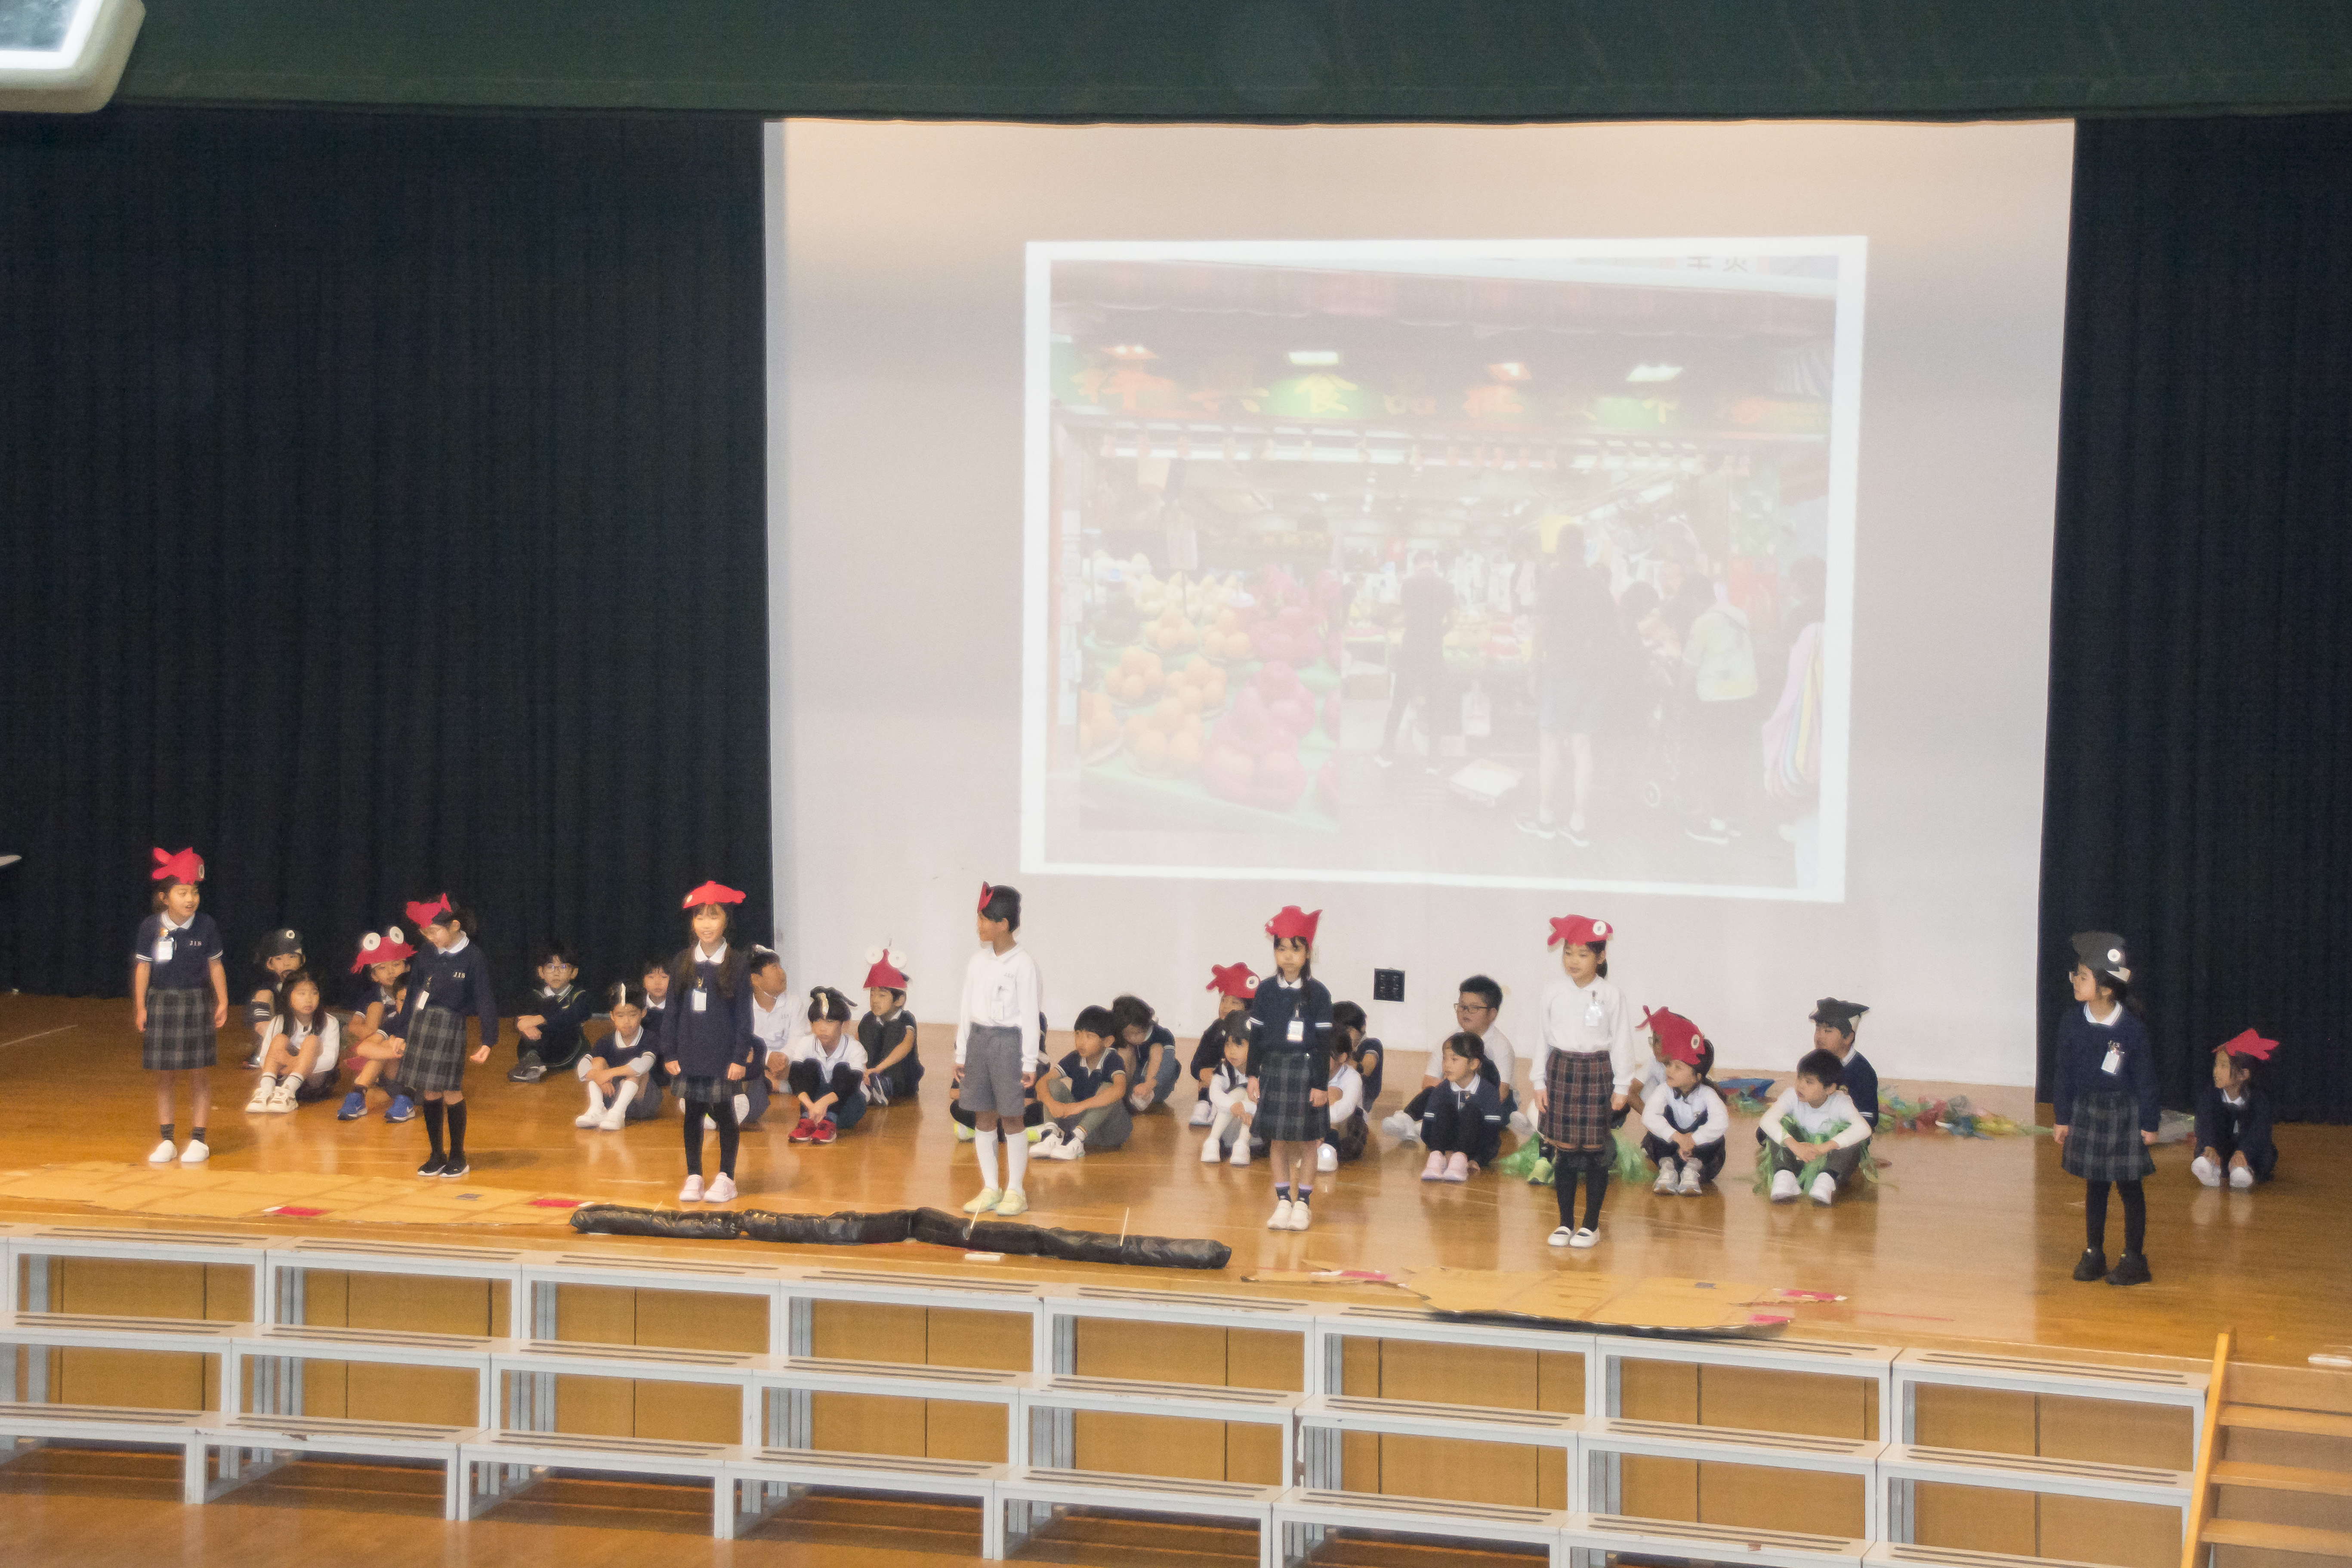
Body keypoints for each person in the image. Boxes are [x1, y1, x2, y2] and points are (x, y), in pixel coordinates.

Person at [2052, 931, 2160, 1285]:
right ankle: (2094, 1253)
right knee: (2095, 1185)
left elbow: (2146, 1078)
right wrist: (2062, 1118)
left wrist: (2149, 1122)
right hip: (2087, 1110)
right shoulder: (2071, 1022)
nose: (2075, 980)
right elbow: (2063, 1073)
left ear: (2106, 989)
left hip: (2124, 1113)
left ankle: (2134, 1259)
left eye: (2083, 976)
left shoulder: (2131, 1029)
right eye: (2076, 974)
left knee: (2130, 1187)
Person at [1533, 915, 1639, 1250]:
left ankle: (1591, 1225)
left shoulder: (1611, 995)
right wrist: (1539, 1082)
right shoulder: (1552, 993)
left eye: (1583, 954)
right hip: (1561, 1071)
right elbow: (1542, 1040)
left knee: (1595, 1155)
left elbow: (1621, 1041)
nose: (1573, 961)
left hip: (1597, 1072)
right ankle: (1565, 1223)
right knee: (1564, 1154)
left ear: (1600, 956)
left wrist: (1622, 1087)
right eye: (1568, 953)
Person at [382, 894, 497, 1179]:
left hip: (450, 1026)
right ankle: (437, 1154)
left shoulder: (473, 957)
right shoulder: (427, 953)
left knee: (451, 1091)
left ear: (455, 926)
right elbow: (413, 994)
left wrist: (488, 1039)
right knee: (429, 1091)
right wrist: (401, 1031)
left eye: (434, 931)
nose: (430, 938)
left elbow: (484, 998)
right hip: (422, 1024)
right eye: (425, 932)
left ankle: (458, 1156)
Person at [660, 880, 760, 1204]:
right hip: (690, 1052)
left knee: (725, 1112)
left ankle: (726, 1177)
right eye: (700, 917)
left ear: (726, 920)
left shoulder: (738, 962)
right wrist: (670, 1051)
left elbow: (744, 1017)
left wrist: (739, 1057)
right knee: (693, 1113)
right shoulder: (682, 961)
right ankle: (694, 1175)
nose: (706, 924)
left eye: (714, 916)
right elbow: (672, 1011)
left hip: (722, 1055)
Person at [133, 847, 229, 1165]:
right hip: (161, 1001)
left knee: (200, 1072)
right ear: (165, 898)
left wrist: (223, 1000)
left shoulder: (206, 925)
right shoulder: (150, 927)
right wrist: (141, 1007)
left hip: (197, 1001)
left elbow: (215, 965)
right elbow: (143, 968)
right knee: (165, 1074)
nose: (191, 899)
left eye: (195, 892)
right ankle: (167, 1139)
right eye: (182, 893)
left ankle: (199, 1139)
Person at [955, 882, 1043, 1218]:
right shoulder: (977, 962)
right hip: (979, 1041)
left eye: (983, 919)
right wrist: (961, 1053)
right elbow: (966, 1008)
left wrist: (1029, 1060)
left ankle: (1016, 1190)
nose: (978, 925)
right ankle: (991, 1187)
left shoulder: (1023, 964)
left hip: (1009, 1044)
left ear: (1003, 924)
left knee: (1012, 1117)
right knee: (984, 1115)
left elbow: (1031, 1015)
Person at [1518, 556, 1616, 848]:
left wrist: (1534, 670)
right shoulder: (1601, 591)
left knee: (1549, 742)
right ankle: (1578, 823)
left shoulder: (1555, 587)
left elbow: (1540, 631)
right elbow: (1615, 634)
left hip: (1562, 671)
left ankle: (1546, 818)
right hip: (1594, 674)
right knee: (1583, 748)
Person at [1246, 904, 1333, 1232]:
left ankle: (1303, 1204)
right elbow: (1256, 1036)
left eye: (1295, 949)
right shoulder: (1266, 990)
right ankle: (1283, 1200)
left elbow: (1323, 1044)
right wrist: (1252, 1075)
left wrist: (1320, 1085)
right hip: (1274, 1070)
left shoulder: (1319, 994)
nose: (1288, 956)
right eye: (1281, 948)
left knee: (1309, 1142)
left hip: (1306, 1072)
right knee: (1278, 1141)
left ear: (1308, 952)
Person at [1386, 976, 1525, 1141]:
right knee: (1433, 1092)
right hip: (1457, 1097)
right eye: (1462, 1006)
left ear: (1492, 1014)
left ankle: (1437, 1123)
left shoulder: (1501, 1047)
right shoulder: (1449, 1041)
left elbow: (1500, 1094)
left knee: (1474, 1107)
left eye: (1474, 1008)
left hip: (1494, 1105)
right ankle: (1407, 1119)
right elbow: (1429, 1083)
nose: (1465, 1012)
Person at [1681, 577, 1759, 846]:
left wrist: (1680, 692)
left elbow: (1689, 668)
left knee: (1714, 760)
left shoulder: (1703, 623)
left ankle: (1714, 825)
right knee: (1736, 760)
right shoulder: (1738, 615)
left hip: (1717, 701)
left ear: (1695, 600)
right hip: (1746, 697)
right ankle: (1733, 820)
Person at [1759, 1049, 1873, 1206]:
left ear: (1830, 1088)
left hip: (1827, 1159)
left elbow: (1864, 1129)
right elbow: (1767, 1121)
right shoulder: (1792, 1095)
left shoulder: (1841, 1102)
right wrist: (1796, 1146)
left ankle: (1826, 1181)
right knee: (1780, 1128)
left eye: (1809, 1082)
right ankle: (1785, 1176)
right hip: (1797, 1157)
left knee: (1854, 1142)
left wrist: (1823, 1148)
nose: (1800, 1086)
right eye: (1799, 1078)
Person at [1377, 550, 1454, 770]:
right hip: (1434, 651)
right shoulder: (1447, 586)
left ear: (1416, 564)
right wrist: (1440, 633)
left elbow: (1405, 616)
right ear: (1433, 563)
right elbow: (1453, 619)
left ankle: (1386, 753)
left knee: (1400, 701)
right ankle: (1434, 761)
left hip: (1411, 649)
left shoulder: (1409, 584)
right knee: (1436, 703)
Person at [1638, 1009, 1728, 1194]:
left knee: (1717, 1141)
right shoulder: (1664, 1090)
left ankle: (1692, 1171)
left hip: (1697, 1152)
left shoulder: (1707, 1094)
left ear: (1697, 1077)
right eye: (1669, 1065)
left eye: (1678, 1067)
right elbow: (1648, 1116)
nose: (1669, 1071)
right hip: (1673, 1147)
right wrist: (1679, 1138)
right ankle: (1667, 1168)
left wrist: (1693, 1140)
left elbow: (1721, 1122)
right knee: (1653, 1135)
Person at [339, 926, 418, 1123]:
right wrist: (394, 1050)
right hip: (393, 1076)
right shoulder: (393, 1018)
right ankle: (357, 1095)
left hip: (423, 1085)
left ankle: (406, 1100)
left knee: (394, 1044)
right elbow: (364, 1047)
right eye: (383, 967)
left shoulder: (429, 1019)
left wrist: (403, 1049)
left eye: (396, 964)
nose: (391, 971)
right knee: (383, 1038)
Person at [1038, 1006, 1133, 1161]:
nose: (1081, 1042)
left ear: (1108, 1041)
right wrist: (1052, 1104)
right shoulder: (1075, 1057)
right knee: (1051, 1084)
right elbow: (1042, 1082)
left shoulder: (1112, 1059)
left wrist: (1079, 1107)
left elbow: (1119, 1090)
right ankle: (1051, 1134)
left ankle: (1077, 1139)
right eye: (1078, 1034)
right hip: (1079, 1125)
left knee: (1109, 1089)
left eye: (1089, 1036)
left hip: (1112, 1131)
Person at [247, 969, 340, 1113]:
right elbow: (265, 1058)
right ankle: (266, 1091)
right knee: (280, 1039)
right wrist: (295, 1064)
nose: (309, 999)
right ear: (288, 996)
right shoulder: (279, 1021)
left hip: (313, 1082)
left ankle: (288, 1092)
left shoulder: (330, 1022)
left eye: (314, 993)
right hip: (281, 1080)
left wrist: (291, 1063)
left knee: (312, 1041)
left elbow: (330, 1061)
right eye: (302, 994)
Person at [784, 987, 869, 1144]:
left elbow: (851, 1085)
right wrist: (811, 1107)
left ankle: (830, 1123)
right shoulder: (806, 1044)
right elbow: (795, 1078)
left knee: (842, 1068)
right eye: (817, 1021)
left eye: (829, 1022)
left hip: (848, 1102)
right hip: (814, 1107)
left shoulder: (855, 1048)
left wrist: (823, 1104)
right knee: (810, 1065)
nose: (822, 1027)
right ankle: (807, 1121)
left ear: (844, 1025)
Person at [2194, 1030, 2278, 1188]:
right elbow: (2205, 1123)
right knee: (2204, 1150)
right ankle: (2213, 1167)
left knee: (2266, 1155)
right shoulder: (2210, 1095)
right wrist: (2209, 1145)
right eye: (2216, 1065)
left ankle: (2243, 1170)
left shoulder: (2259, 1099)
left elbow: (2259, 1131)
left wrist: (2245, 1152)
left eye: (2223, 1066)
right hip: (2221, 1147)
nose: (2216, 1071)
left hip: (2246, 1150)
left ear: (2243, 1075)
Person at [1417, 1033, 1505, 1181]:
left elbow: (1491, 1135)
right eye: (1445, 1058)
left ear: (1474, 1064)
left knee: (1471, 1111)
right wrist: (1440, 1150)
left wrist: (1478, 1159)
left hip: (1474, 1149)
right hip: (1445, 1150)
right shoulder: (1441, 1091)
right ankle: (1437, 1159)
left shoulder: (1488, 1092)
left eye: (1454, 1059)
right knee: (1445, 1109)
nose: (1447, 1065)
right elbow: (1427, 1129)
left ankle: (1460, 1160)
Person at [576, 981, 660, 1128]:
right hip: (612, 1097)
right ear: (612, 1016)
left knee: (636, 1072)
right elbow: (583, 1065)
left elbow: (644, 1064)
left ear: (643, 1013)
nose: (627, 1021)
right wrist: (598, 1076)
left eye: (633, 1015)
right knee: (597, 1062)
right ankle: (597, 1109)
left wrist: (609, 1074)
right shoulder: (606, 1041)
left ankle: (618, 1114)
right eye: (620, 1016)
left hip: (641, 1101)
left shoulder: (650, 1038)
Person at [509, 942, 592, 1083]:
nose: (556, 972)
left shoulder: (579, 995)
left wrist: (540, 1019)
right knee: (527, 1034)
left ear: (574, 972)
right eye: (550, 967)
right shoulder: (534, 995)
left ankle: (534, 1063)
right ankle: (533, 1063)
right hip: (541, 1050)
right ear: (541, 972)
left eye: (563, 967)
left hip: (569, 1053)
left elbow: (574, 1016)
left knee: (559, 1025)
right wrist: (523, 1026)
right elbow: (521, 1017)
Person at [1188, 963, 1257, 1127]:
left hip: (1246, 1083)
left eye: (1234, 1003)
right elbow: (1199, 1060)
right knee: (1212, 1077)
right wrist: (1203, 1072)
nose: (1226, 1007)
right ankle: (1204, 1104)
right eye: (1223, 1001)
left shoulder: (1255, 1031)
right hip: (1221, 1081)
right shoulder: (1216, 1029)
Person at [858, 947, 923, 1105]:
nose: (875, 1000)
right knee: (868, 1028)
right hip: (872, 1073)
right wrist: (863, 1069)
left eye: (882, 995)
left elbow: (905, 1046)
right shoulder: (868, 1019)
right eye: (872, 994)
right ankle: (872, 1086)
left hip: (899, 1075)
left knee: (895, 1030)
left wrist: (879, 1069)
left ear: (900, 1000)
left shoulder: (906, 1019)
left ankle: (884, 1086)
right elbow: (858, 1044)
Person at [1809, 998, 1878, 1128]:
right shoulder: (1812, 1063)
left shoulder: (1863, 1072)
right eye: (1818, 1029)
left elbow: (1868, 1119)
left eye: (1828, 1031)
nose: (1820, 1036)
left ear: (1848, 1038)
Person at [244, 927, 306, 1069]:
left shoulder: (309, 988)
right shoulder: (267, 991)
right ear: (269, 964)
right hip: (277, 1043)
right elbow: (259, 1026)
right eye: (279, 959)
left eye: (292, 957)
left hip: (302, 1042)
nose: (286, 963)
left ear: (302, 960)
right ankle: (268, 1053)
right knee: (264, 996)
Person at [1110, 994, 1179, 1114]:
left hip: (1156, 1086)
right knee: (1123, 1050)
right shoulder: (1118, 1038)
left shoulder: (1162, 1036)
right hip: (1131, 1085)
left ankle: (1143, 1095)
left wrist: (1149, 1085)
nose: (1133, 1038)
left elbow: (1168, 1065)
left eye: (1138, 1033)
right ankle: (1121, 1093)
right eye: (1128, 1035)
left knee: (1157, 1048)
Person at [1199, 1029, 1258, 1165]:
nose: (1231, 1051)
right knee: (1237, 1093)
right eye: (1228, 1045)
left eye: (1239, 1045)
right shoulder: (1225, 1068)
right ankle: (1213, 1141)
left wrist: (1245, 1107)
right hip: (1227, 1131)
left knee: (1247, 1094)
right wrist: (1234, 1106)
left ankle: (1242, 1145)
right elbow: (1215, 1094)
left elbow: (1264, 1103)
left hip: (1254, 1133)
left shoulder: (1263, 1070)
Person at [1319, 1027, 1368, 1170]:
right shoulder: (1311, 1073)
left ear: (1342, 1057)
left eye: (1325, 1055)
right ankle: (1315, 1149)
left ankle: (1328, 1149)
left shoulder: (1352, 1077)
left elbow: (1347, 1108)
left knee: (1332, 1093)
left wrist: (1318, 1117)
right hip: (1318, 1127)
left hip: (1349, 1130)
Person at [1333, 999, 1384, 1111]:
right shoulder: (1332, 1044)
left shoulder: (1370, 1044)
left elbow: (1366, 1069)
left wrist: (1342, 1055)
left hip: (1358, 1106)